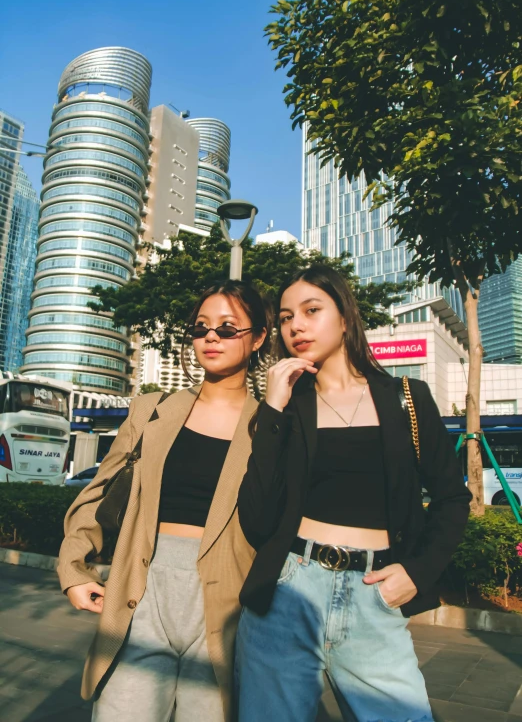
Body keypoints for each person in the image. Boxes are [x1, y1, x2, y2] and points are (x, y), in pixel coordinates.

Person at [235, 265, 471, 722]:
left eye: (311, 310)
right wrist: (273, 408)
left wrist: (417, 572)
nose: (295, 326)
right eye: (285, 318)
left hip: (374, 594)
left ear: (345, 317)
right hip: (289, 591)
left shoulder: (407, 397)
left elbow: (452, 499)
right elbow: (257, 516)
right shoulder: (288, 406)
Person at [58, 280, 271, 722]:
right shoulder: (152, 410)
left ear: (260, 338)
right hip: (144, 589)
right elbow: (98, 494)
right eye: (201, 328)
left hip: (226, 602)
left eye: (228, 328)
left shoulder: (271, 426)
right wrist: (73, 568)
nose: (211, 337)